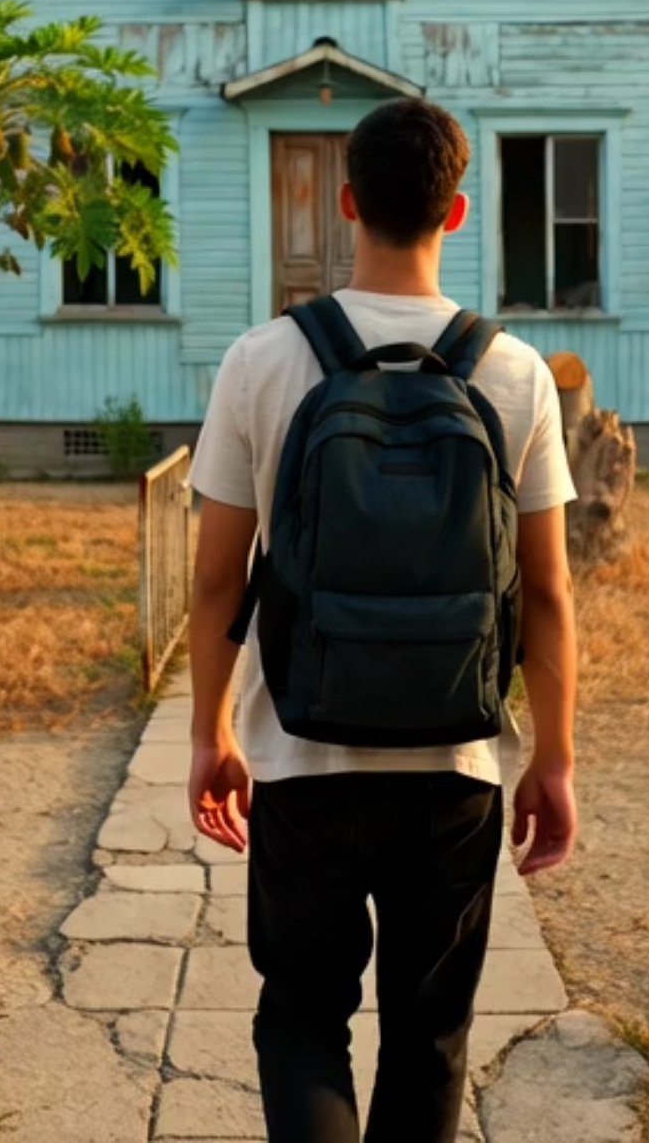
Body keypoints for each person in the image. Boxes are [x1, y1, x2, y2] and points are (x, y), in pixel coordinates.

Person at [187, 97, 578, 1143]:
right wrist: (554, 758)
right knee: (430, 1035)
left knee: (303, 1017)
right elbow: (546, 593)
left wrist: (211, 733)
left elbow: (217, 582)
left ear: (349, 203)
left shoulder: (263, 360)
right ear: (456, 212)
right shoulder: (514, 372)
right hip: (455, 767)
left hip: (300, 757)